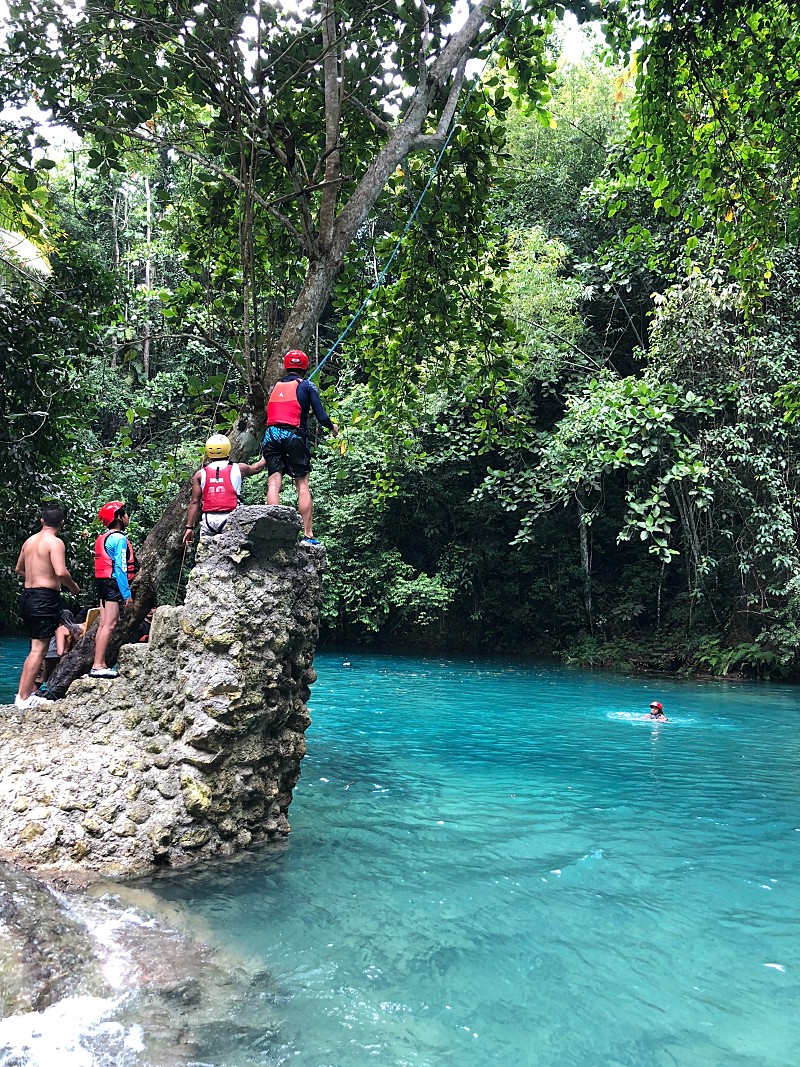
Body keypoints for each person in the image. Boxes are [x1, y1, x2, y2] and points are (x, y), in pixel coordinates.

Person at [262, 349, 338, 544]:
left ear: (286, 366)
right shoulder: (307, 385)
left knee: (273, 484)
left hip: (271, 435)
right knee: (302, 485)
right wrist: (332, 427)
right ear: (305, 367)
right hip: (294, 436)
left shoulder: (275, 386)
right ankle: (308, 535)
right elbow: (321, 416)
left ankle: (274, 533)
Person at [13, 503, 80, 710]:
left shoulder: (30, 541)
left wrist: (37, 576)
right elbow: (60, 571)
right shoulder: (55, 542)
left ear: (42, 520)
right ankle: (24, 698)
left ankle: (22, 694)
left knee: (35, 648)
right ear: (62, 522)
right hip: (44, 598)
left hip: (27, 596)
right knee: (39, 650)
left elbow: (19, 568)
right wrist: (73, 587)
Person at [182, 434, 266, 546]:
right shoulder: (238, 468)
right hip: (231, 517)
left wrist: (189, 528)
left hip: (208, 520)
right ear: (228, 449)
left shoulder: (200, 474)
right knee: (232, 552)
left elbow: (194, 501)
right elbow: (257, 468)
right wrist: (269, 451)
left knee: (206, 553)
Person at [91, 500, 137, 679]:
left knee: (104, 624)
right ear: (118, 517)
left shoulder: (105, 537)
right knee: (109, 625)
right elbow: (120, 568)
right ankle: (98, 665)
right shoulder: (119, 539)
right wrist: (127, 595)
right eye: (125, 514)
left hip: (103, 583)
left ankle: (99, 663)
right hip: (112, 584)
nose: (128, 517)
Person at [40, 609, 83, 683]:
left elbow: (60, 652)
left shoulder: (59, 629)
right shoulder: (78, 629)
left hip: (49, 656)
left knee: (40, 681)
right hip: (65, 658)